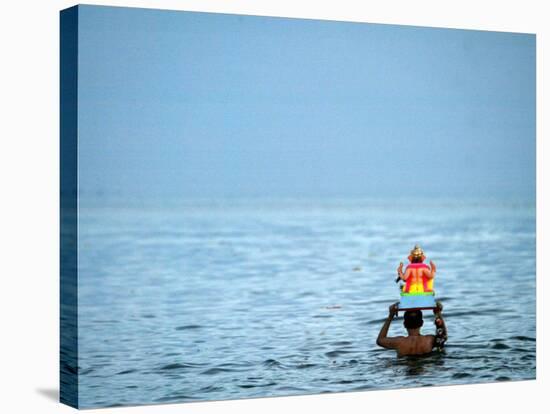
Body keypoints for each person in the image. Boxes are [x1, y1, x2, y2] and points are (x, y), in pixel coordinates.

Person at [376, 302, 447, 356]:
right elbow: (443, 336)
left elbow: (380, 340)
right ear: (422, 323)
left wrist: (390, 316)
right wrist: (438, 314)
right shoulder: (430, 340)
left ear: (404, 324)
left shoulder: (399, 342)